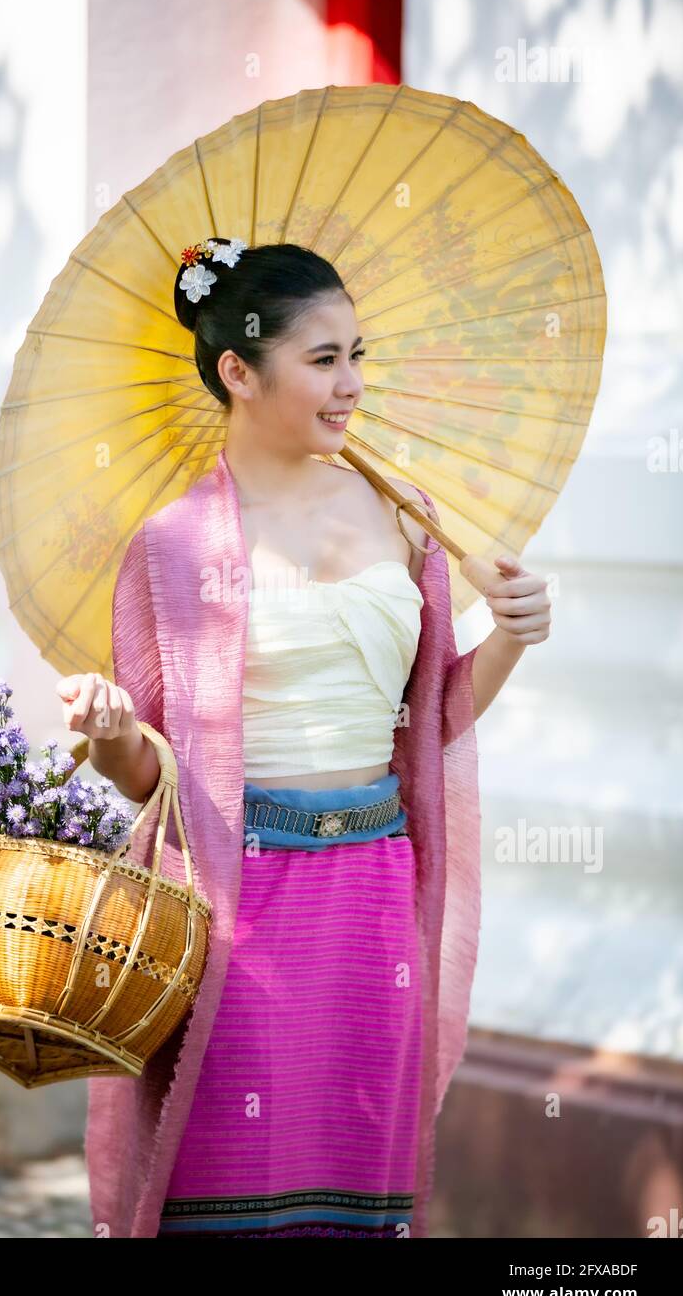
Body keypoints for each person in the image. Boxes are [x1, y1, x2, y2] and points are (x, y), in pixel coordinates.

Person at [57, 238, 551, 1238]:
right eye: (322, 359)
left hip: (371, 894)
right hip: (237, 905)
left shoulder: (404, 518)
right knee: (225, 1180)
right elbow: (155, 775)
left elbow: (435, 717)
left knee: (352, 1188)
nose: (351, 385)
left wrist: (508, 634)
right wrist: (109, 736)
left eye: (356, 355)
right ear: (238, 370)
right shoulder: (173, 544)